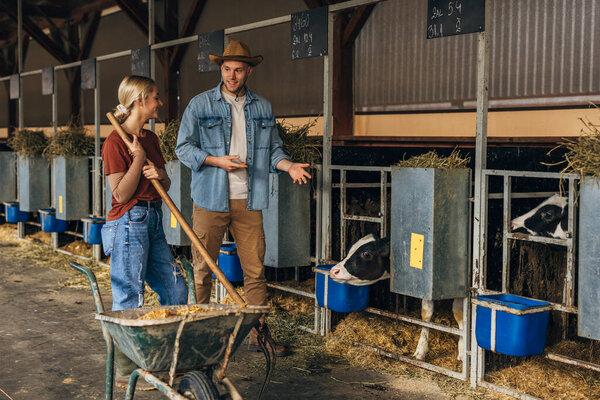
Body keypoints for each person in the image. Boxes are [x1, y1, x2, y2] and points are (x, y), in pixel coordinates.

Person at [176, 40, 310, 355]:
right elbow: (183, 147)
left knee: (255, 269)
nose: (232, 75)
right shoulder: (200, 104)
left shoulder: (262, 107)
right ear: (220, 69)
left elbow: (273, 149)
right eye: (226, 69)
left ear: (249, 70)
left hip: (249, 199)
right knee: (202, 268)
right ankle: (202, 335)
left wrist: (288, 165)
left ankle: (258, 336)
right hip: (209, 197)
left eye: (238, 69)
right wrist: (216, 160)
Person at [101, 75, 188, 387]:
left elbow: (163, 184)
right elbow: (121, 194)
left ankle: (165, 357)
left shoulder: (150, 138)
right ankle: (127, 370)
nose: (159, 102)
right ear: (139, 101)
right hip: (127, 221)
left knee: (176, 289)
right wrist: (137, 160)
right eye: (154, 97)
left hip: (152, 218)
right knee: (130, 294)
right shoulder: (114, 142)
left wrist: (159, 173)